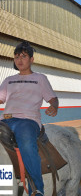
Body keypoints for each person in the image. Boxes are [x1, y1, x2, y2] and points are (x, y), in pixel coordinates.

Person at [0, 41, 58, 196]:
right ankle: (4, 181)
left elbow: (52, 98)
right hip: (6, 120)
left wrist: (54, 105)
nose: (19, 59)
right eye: (17, 56)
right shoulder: (8, 80)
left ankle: (37, 189)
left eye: (24, 56)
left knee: (25, 139)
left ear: (31, 60)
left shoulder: (40, 78)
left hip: (28, 121)